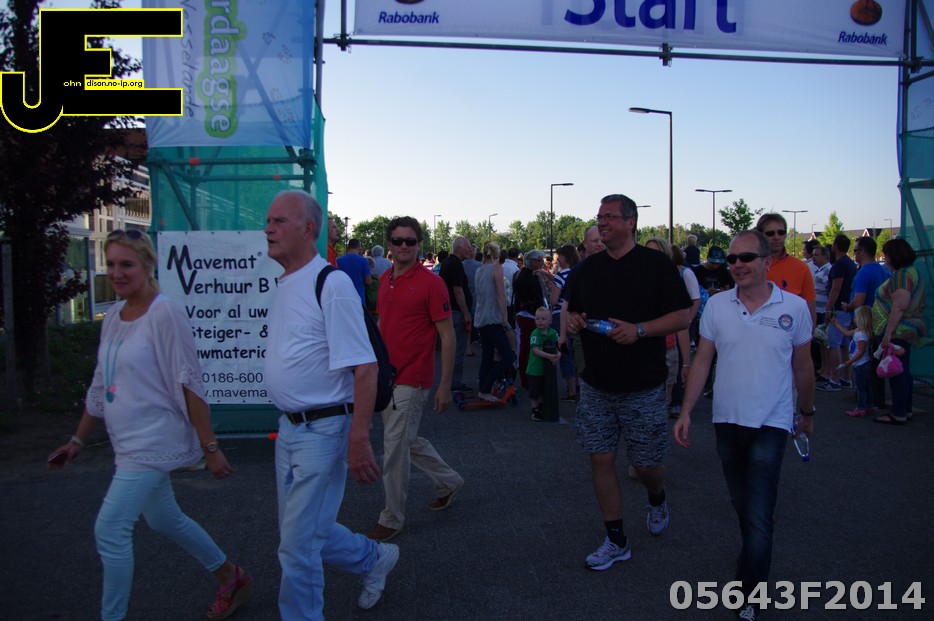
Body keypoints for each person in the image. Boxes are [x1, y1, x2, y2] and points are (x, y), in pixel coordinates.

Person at [47, 229, 252, 621]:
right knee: (164, 518)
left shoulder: (164, 313)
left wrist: (210, 448)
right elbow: (101, 384)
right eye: (111, 264)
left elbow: (189, 381)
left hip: (153, 441)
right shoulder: (114, 317)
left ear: (147, 265)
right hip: (126, 443)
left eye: (126, 264)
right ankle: (231, 577)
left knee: (110, 530)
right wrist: (77, 440)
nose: (117, 272)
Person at [263, 190, 398, 619]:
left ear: (308, 229)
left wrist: (358, 438)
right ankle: (374, 558)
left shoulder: (331, 283)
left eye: (279, 221)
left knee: (297, 546)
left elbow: (365, 367)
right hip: (291, 429)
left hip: (322, 431)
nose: (268, 228)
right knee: (305, 532)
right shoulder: (288, 283)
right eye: (268, 220)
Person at [673, 230, 815, 621]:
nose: (737, 265)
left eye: (746, 258)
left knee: (758, 514)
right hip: (726, 422)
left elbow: (804, 366)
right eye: (733, 259)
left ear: (767, 261)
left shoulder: (794, 308)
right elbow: (703, 360)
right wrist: (686, 411)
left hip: (772, 422)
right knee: (744, 508)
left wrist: (807, 413)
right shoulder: (718, 305)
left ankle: (749, 595)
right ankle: (752, 559)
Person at [566, 194, 691, 570]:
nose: (601, 223)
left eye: (609, 217)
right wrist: (573, 321)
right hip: (596, 384)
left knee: (646, 465)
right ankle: (616, 539)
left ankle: (657, 496)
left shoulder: (656, 265)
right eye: (599, 217)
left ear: (630, 222)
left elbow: (682, 317)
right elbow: (572, 313)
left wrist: (640, 329)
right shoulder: (587, 269)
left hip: (643, 385)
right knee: (600, 458)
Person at [367, 217, 465, 542]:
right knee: (405, 440)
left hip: (413, 377)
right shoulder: (384, 279)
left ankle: (392, 516)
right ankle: (449, 481)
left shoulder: (431, 284)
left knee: (394, 447)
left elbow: (448, 337)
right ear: (390, 244)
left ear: (419, 244)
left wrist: (444, 385)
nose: (404, 246)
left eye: (410, 241)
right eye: (397, 241)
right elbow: (383, 325)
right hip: (387, 376)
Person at [872, 238, 927, 425]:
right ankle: (905, 409)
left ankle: (898, 413)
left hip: (900, 330)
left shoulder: (901, 275)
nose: (885, 258)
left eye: (886, 254)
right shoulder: (912, 272)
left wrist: (888, 333)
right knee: (903, 370)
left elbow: (900, 305)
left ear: (894, 256)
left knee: (896, 370)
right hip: (908, 328)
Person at [843, 236, 891, 408]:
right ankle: (876, 398)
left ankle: (865, 398)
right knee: (875, 360)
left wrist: (847, 306)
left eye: (856, 250)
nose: (854, 254)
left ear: (862, 252)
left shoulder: (864, 272)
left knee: (862, 361)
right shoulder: (884, 270)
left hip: (865, 321)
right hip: (881, 321)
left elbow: (858, 300)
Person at [755, 213, 816, 328]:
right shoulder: (750, 266)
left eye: (781, 232)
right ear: (760, 236)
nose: (776, 237)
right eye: (770, 233)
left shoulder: (801, 268)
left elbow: (810, 311)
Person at [474, 241, 515, 401]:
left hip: (481, 318)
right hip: (493, 318)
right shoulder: (497, 269)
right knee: (508, 356)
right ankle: (486, 388)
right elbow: (500, 294)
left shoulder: (479, 270)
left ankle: (483, 388)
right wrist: (505, 320)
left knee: (487, 355)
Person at [818, 234, 858, 391]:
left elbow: (836, 288)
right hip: (847, 308)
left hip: (839, 310)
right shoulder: (850, 263)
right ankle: (846, 378)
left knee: (832, 344)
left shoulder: (839, 265)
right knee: (844, 345)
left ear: (835, 246)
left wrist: (829, 308)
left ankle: (834, 379)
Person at [439, 237, 474, 391]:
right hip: (456, 312)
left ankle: (450, 381)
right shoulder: (455, 264)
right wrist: (466, 312)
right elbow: (458, 291)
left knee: (451, 348)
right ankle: (454, 382)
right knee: (457, 349)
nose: (470, 250)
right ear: (459, 248)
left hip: (449, 311)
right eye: (468, 247)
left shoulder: (447, 263)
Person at [513, 249, 548, 389]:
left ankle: (528, 378)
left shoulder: (524, 274)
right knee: (529, 348)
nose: (542, 263)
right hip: (529, 315)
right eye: (539, 260)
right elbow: (532, 297)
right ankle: (528, 379)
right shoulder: (528, 276)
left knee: (527, 347)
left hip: (527, 314)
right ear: (532, 261)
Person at [549, 244, 580, 402]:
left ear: (565, 257)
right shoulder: (578, 272)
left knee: (565, 353)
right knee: (576, 353)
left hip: (559, 316)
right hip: (576, 316)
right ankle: (578, 385)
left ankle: (571, 390)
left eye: (559, 256)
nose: (557, 259)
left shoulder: (561, 275)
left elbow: (554, 300)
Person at [833, 306, 874, 417]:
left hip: (861, 364)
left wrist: (849, 361)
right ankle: (869, 406)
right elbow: (846, 333)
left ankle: (861, 408)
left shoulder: (861, 334)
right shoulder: (860, 332)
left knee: (861, 388)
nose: (854, 319)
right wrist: (836, 324)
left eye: (856, 317)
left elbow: (860, 352)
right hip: (862, 363)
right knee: (866, 386)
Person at [527, 306, 560, 421]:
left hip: (546, 369)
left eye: (543, 319)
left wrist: (558, 355)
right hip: (535, 369)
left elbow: (559, 346)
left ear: (550, 321)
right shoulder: (535, 334)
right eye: (537, 319)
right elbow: (535, 350)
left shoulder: (553, 333)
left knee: (543, 390)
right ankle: (534, 410)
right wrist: (550, 356)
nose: (540, 321)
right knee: (534, 391)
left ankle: (541, 407)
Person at [337, 238, 372, 307]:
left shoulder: (338, 261)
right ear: (358, 248)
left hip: (343, 298)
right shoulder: (363, 261)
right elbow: (368, 281)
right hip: (359, 298)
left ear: (348, 248)